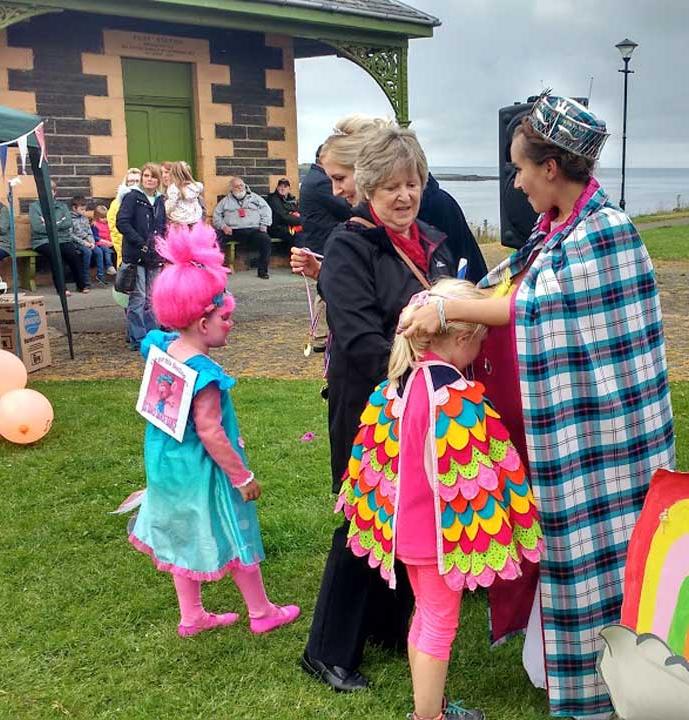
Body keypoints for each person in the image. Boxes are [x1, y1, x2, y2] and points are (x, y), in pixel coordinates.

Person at [399, 94, 676, 719]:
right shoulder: (560, 229)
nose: (515, 181)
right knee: (573, 550)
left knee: (601, 549)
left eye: (519, 168)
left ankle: (610, 677)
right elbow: (518, 282)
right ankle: (570, 664)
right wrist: (460, 294)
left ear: (551, 167)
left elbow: (530, 306)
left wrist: (447, 309)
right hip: (577, 430)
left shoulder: (606, 231)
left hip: (607, 435)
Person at [342, 278, 544, 720]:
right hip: (438, 537)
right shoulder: (449, 393)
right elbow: (471, 471)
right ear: (464, 336)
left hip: (406, 531)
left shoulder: (408, 380)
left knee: (427, 618)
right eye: (481, 342)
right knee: (439, 625)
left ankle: (429, 707)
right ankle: (428, 716)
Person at [301, 121, 456, 695]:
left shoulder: (432, 241)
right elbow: (361, 339)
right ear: (367, 188)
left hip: (423, 402)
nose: (403, 196)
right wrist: (423, 363)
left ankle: (391, 627)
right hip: (370, 404)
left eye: (411, 182)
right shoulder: (350, 245)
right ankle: (327, 649)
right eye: (390, 185)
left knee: (408, 516)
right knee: (362, 520)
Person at [123, 223, 300, 638]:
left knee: (181, 536)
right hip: (205, 471)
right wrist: (243, 477)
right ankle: (261, 612)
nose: (231, 323)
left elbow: (152, 350)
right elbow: (211, 432)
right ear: (203, 323)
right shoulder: (205, 374)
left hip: (166, 464)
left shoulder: (161, 344)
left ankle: (192, 617)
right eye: (226, 317)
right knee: (235, 531)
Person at [117, 163, 167, 350]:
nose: (149, 179)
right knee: (138, 298)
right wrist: (140, 242)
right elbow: (122, 222)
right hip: (135, 255)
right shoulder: (132, 198)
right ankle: (137, 337)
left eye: (153, 176)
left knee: (151, 298)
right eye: (146, 176)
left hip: (154, 255)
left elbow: (162, 225)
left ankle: (151, 336)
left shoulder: (160, 200)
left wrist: (161, 245)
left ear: (158, 180)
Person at [420, 173, 488, 281]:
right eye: (391, 188)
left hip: (456, 291)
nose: (404, 196)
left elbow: (468, 263)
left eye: (411, 185)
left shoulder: (440, 204)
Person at [28, 180, 89, 295]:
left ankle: (82, 285)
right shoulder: (35, 207)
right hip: (42, 241)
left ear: (54, 192)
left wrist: (48, 224)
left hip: (63, 239)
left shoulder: (62, 206)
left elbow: (68, 224)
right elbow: (37, 228)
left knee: (72, 254)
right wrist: (58, 224)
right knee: (55, 255)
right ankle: (61, 288)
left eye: (50, 190)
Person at [297, 144, 354, 253]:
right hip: (325, 242)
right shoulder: (322, 181)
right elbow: (346, 210)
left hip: (317, 239)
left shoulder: (314, 177)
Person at [212, 177, 272, 279]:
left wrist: (264, 225)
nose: (240, 188)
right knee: (215, 239)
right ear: (231, 189)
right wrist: (223, 226)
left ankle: (262, 271)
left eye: (241, 185)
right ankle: (217, 269)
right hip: (232, 231)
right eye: (236, 186)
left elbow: (267, 211)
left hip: (253, 230)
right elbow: (216, 217)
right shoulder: (225, 202)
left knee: (265, 240)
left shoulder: (256, 198)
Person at [108, 167, 142, 269]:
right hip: (126, 250)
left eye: (137, 181)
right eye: (131, 181)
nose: (134, 183)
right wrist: (121, 248)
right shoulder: (117, 203)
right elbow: (114, 228)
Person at [68, 196, 101, 287]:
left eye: (84, 209)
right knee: (88, 252)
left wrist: (92, 242)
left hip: (87, 242)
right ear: (74, 208)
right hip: (76, 243)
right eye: (81, 209)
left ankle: (100, 275)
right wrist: (85, 243)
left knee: (98, 251)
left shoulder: (85, 218)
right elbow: (71, 235)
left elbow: (89, 232)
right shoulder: (70, 219)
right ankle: (85, 279)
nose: (83, 211)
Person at [164, 160, 205, 228]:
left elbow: (171, 205)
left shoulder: (174, 188)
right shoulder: (196, 186)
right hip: (195, 220)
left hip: (179, 222)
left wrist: (165, 210)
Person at [265, 178, 302, 246]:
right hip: (277, 227)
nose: (282, 189)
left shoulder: (292, 200)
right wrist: (302, 221)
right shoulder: (273, 199)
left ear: (289, 189)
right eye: (280, 186)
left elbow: (298, 212)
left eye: (285, 187)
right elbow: (283, 216)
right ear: (277, 188)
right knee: (297, 236)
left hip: (291, 225)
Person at [92, 204, 117, 278]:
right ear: (97, 217)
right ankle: (109, 266)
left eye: (106, 217)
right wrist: (105, 242)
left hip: (109, 242)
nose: (105, 219)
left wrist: (112, 241)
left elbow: (111, 233)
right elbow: (95, 237)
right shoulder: (95, 225)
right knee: (106, 250)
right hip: (100, 243)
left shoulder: (108, 224)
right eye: (102, 218)